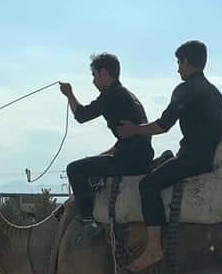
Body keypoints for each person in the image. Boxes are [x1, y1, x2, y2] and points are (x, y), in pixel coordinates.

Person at [116, 40, 222, 271]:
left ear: (187, 62)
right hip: (207, 159)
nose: (177, 69)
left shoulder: (185, 89)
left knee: (148, 185)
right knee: (166, 159)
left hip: (193, 160)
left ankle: (153, 248)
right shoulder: (214, 92)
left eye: (179, 63)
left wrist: (135, 129)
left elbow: (163, 125)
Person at [60, 53, 155, 240]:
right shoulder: (126, 95)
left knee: (74, 169)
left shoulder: (111, 95)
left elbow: (81, 115)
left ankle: (89, 222)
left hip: (129, 161)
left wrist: (69, 94)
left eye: (94, 76)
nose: (93, 82)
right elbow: (129, 137)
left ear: (104, 73)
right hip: (139, 155)